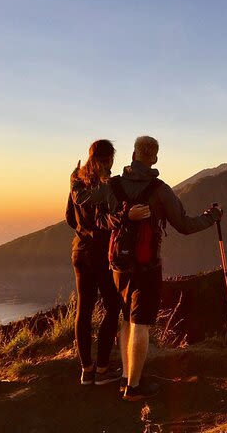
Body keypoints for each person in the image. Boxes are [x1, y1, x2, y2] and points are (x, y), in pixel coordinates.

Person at [95, 136, 223, 401]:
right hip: (146, 266)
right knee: (140, 323)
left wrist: (121, 216)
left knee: (127, 319)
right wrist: (213, 217)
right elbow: (185, 225)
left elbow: (99, 219)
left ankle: (126, 377)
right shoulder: (160, 190)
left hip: (117, 265)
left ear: (133, 154)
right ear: (153, 157)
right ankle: (133, 387)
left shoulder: (112, 185)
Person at [66, 139, 137, 386]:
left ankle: (87, 370)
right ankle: (104, 369)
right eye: (110, 160)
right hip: (101, 254)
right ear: (107, 159)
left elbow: (68, 217)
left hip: (79, 252)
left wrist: (83, 232)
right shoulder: (107, 185)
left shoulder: (77, 180)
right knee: (113, 305)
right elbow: (103, 221)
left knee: (84, 309)